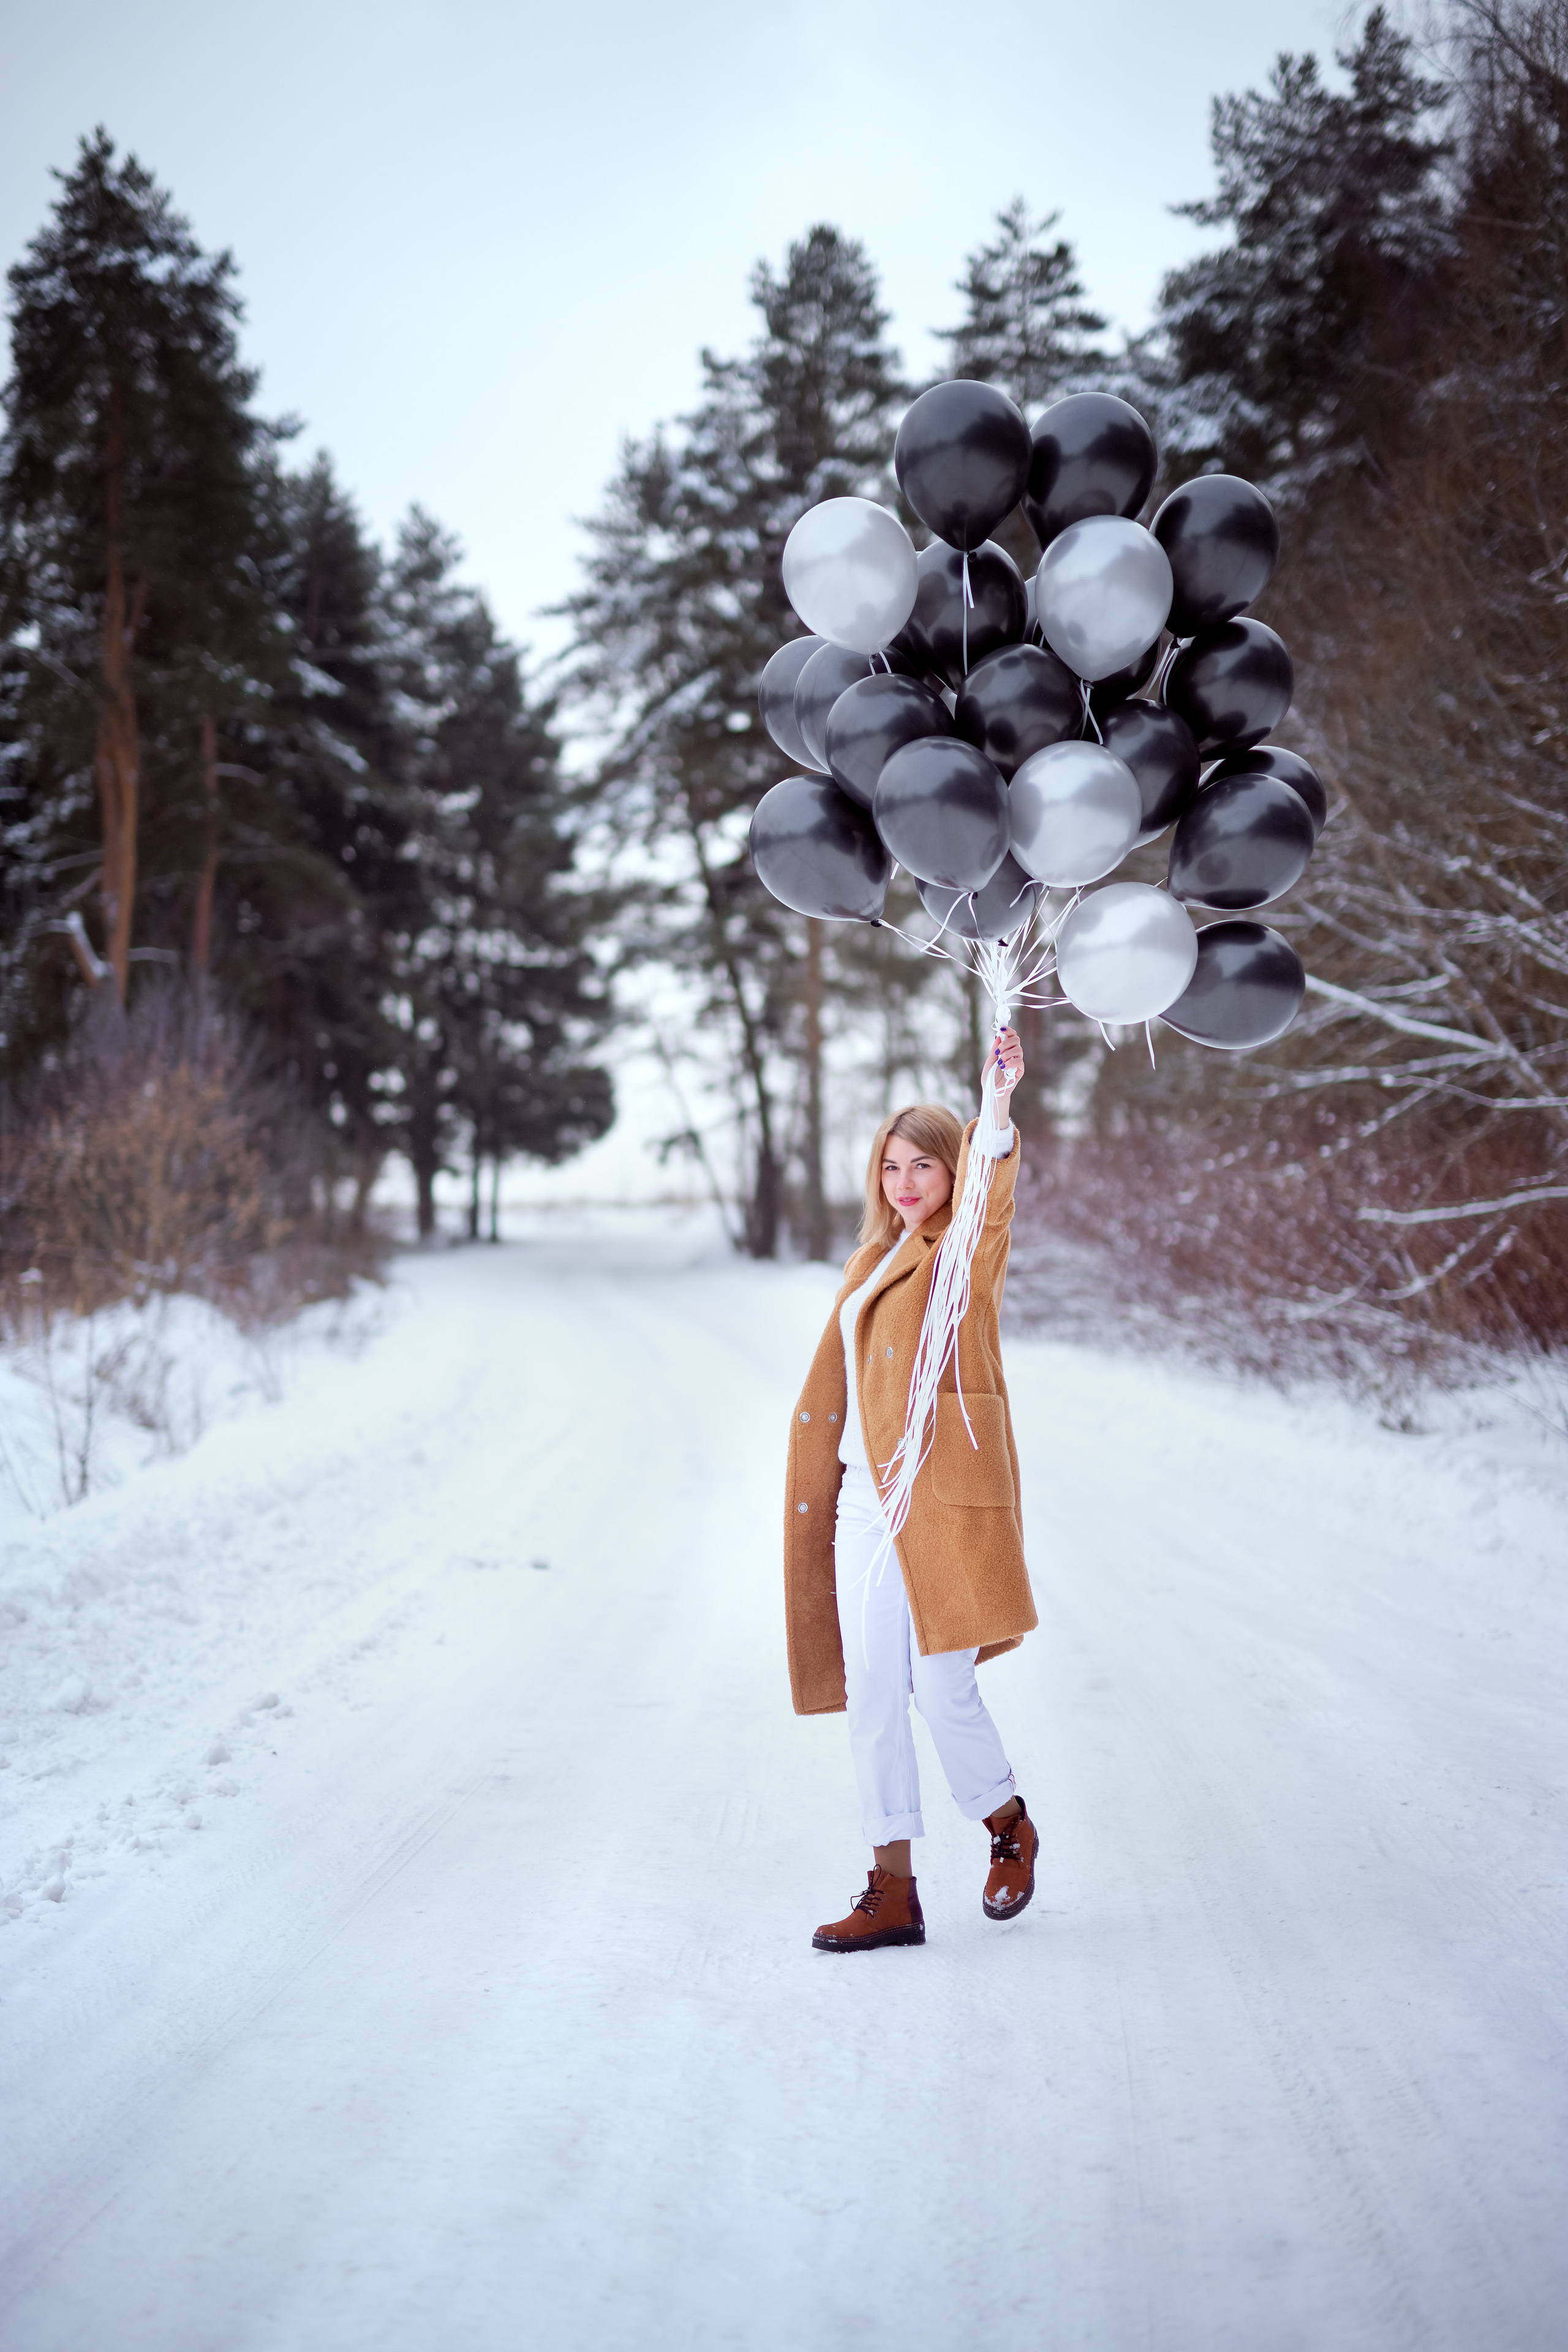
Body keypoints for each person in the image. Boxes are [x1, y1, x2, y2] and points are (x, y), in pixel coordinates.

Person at [783, 1027, 1039, 1953]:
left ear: (950, 1172)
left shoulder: (958, 1255)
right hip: (862, 1505)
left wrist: (997, 1107)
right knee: (876, 1696)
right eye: (892, 1166)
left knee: (942, 1685)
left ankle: (1007, 1825)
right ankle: (890, 1889)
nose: (905, 1182)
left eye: (924, 1165)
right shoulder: (871, 1261)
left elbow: (990, 1204)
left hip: (930, 1498)